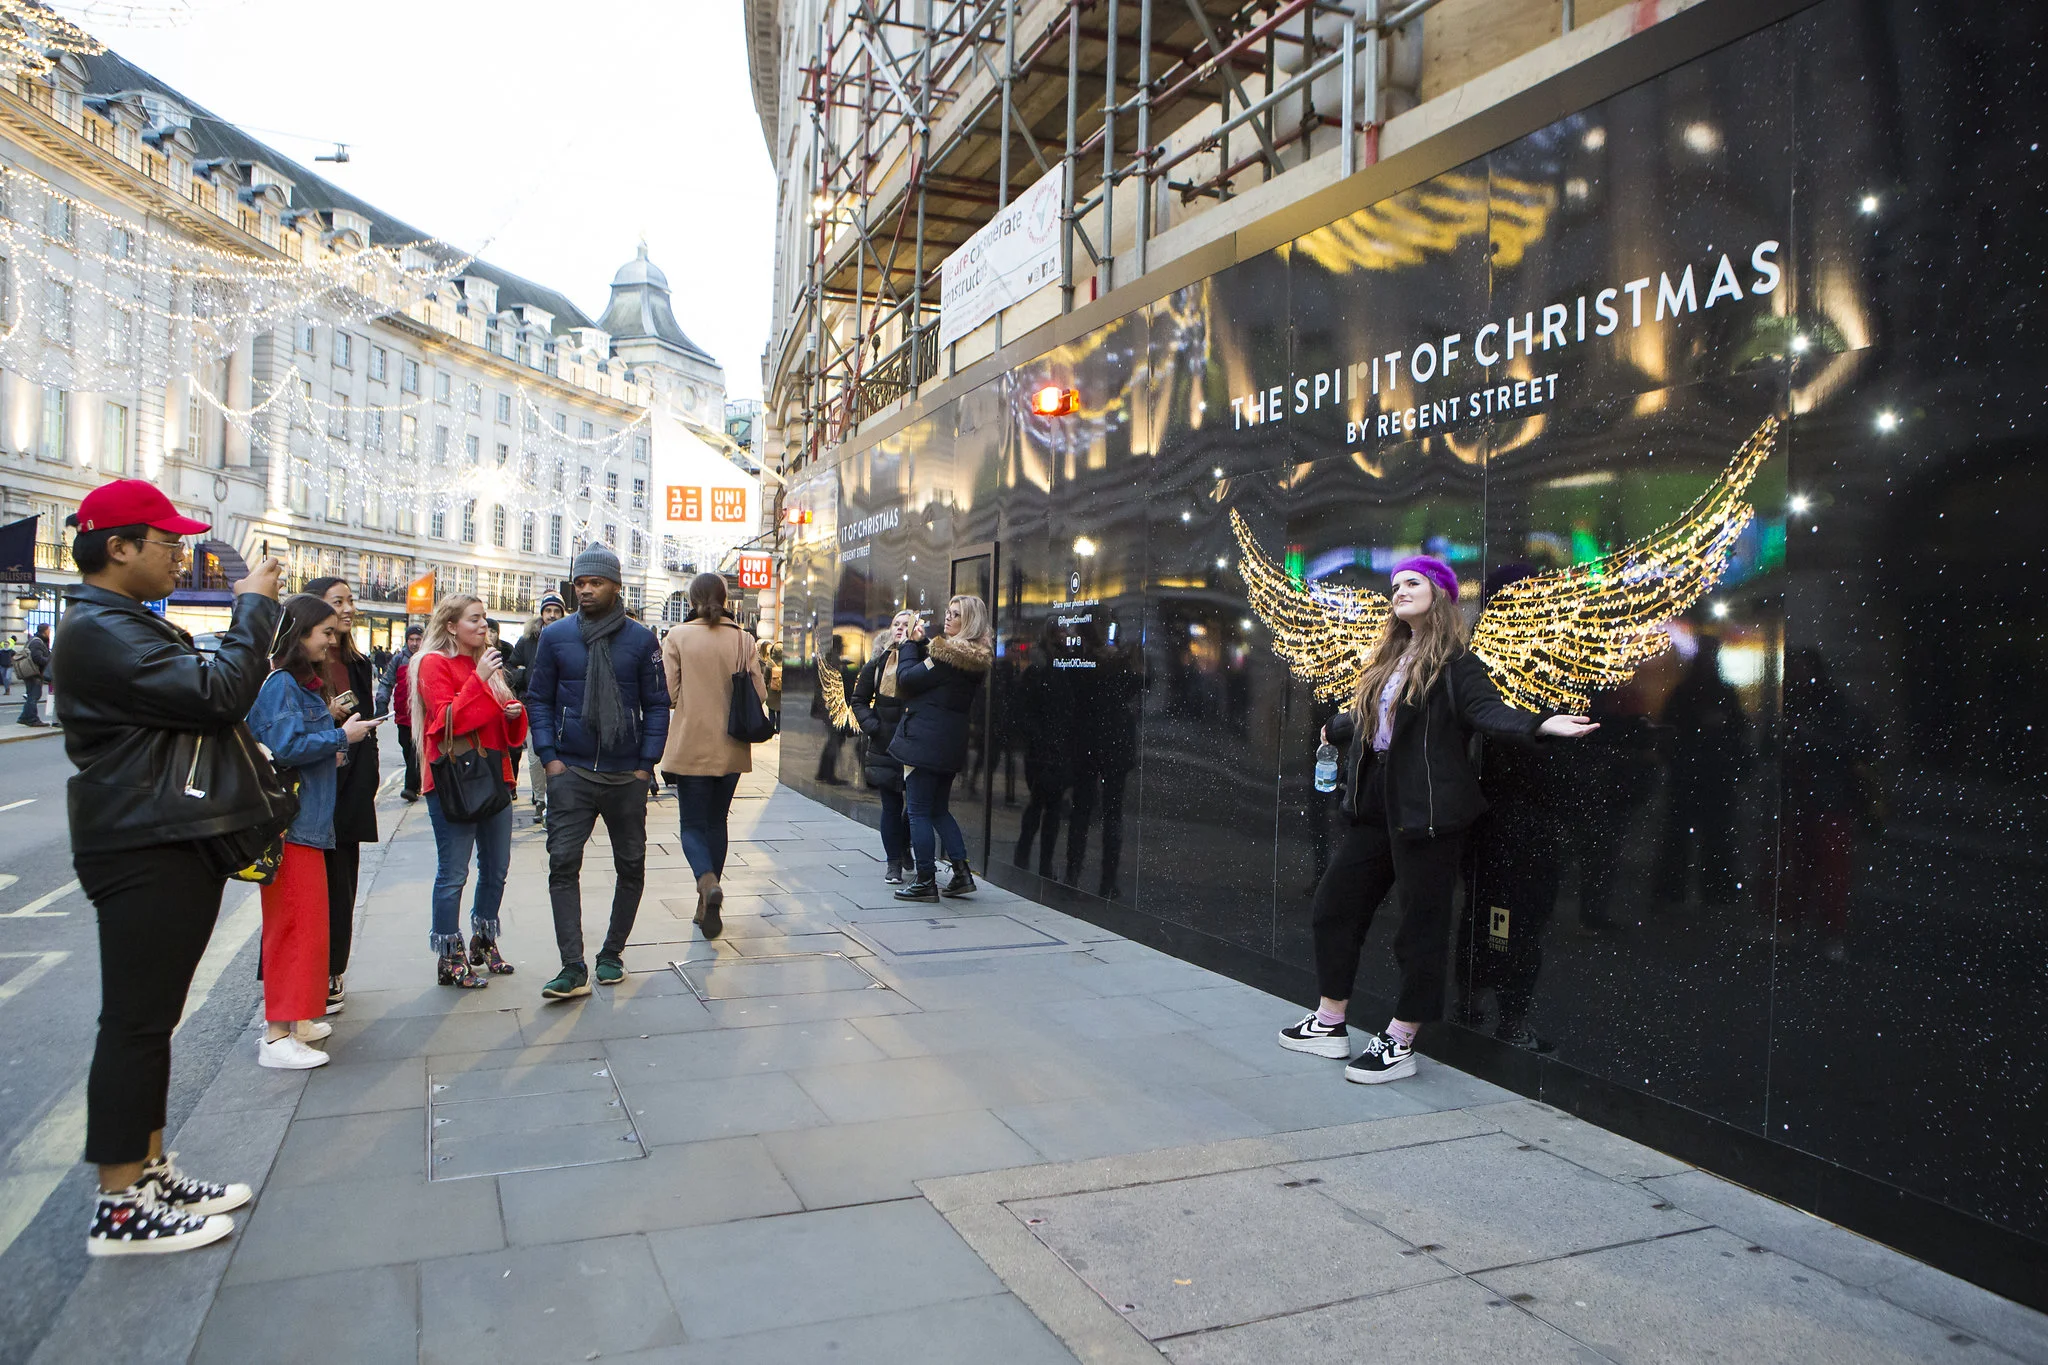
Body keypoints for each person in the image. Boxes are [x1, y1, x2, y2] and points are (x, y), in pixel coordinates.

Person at [54, 479, 281, 1255]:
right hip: (141, 841)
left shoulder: (121, 623)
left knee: (153, 1021)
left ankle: (148, 1169)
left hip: (159, 834)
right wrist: (253, 608)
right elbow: (218, 694)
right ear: (116, 547)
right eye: (166, 542)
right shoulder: (100, 629)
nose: (181, 554)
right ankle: (119, 1205)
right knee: (136, 1022)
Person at [1275, 556, 1597, 1083]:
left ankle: (1401, 1038)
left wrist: (1540, 725)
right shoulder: (1390, 656)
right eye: (1395, 584)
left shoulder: (1456, 666)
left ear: (1440, 594)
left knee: (1419, 929)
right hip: (1376, 804)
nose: (1399, 590)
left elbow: (1488, 713)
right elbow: (1372, 714)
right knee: (1334, 905)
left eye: (1413, 583)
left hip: (1429, 812)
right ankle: (1330, 1022)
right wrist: (1337, 726)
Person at [527, 545, 668, 999]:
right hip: (571, 771)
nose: (585, 590)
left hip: (626, 774)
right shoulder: (556, 636)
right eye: (580, 583)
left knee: (631, 865)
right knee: (562, 864)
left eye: (595, 583)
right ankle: (572, 967)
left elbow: (658, 705)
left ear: (616, 587)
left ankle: (611, 953)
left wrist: (646, 766)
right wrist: (550, 758)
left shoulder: (642, 640)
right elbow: (539, 699)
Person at [247, 594, 381, 1070]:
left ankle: (299, 1019)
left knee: (310, 928)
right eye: (324, 632)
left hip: (312, 823)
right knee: (293, 928)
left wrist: (335, 747)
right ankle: (276, 1035)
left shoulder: (302, 685)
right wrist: (340, 738)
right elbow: (284, 745)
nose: (332, 640)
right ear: (298, 634)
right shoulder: (281, 683)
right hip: (292, 826)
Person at [412, 595, 527, 987]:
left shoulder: (488, 667)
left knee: (496, 868)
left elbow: (505, 734)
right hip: (452, 784)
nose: (483, 626)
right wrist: (478, 679)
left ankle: (484, 940)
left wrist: (513, 713)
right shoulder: (433, 664)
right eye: (474, 619)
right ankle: (449, 954)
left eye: (484, 620)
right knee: (453, 873)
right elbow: (446, 722)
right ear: (450, 626)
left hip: (494, 777)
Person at [658, 572, 766, 938]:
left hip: (691, 741)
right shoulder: (743, 639)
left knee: (691, 824)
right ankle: (707, 900)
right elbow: (760, 694)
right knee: (717, 822)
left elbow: (669, 693)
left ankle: (706, 883)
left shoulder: (677, 637)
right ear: (725, 598)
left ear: (691, 600)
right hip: (731, 743)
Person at [302, 577, 378, 1018]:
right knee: (310, 884)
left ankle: (333, 970)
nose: (348, 609)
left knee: (343, 882)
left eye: (350, 600)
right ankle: (302, 976)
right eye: (338, 602)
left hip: (350, 784)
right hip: (315, 784)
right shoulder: (296, 668)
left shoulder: (358, 661)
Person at [888, 595, 994, 902]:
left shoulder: (948, 656)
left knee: (919, 811)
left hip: (924, 742)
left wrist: (909, 644)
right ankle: (961, 874)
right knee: (937, 809)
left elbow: (907, 679)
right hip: (949, 744)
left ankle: (925, 880)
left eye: (956, 615)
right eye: (947, 613)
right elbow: (933, 679)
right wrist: (924, 649)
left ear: (969, 621)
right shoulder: (974, 659)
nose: (947, 619)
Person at [850, 612, 917, 883]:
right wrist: (873, 726)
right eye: (896, 625)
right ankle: (893, 864)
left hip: (915, 744)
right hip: (885, 746)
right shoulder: (878, 663)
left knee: (914, 807)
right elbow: (858, 699)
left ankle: (903, 843)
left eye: (906, 625)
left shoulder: (923, 661)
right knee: (891, 806)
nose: (900, 629)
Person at [510, 592, 566, 826]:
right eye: (548, 611)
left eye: (556, 611)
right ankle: (539, 798)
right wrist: (524, 678)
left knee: (559, 757)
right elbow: (510, 668)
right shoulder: (528, 640)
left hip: (560, 707)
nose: (552, 615)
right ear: (541, 614)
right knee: (535, 759)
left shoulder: (569, 637)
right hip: (534, 706)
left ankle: (555, 802)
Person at [390, 624, 423, 801]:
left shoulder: (427, 658)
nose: (414, 643)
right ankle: (417, 780)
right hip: (403, 715)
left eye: (418, 639)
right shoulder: (398, 659)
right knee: (406, 746)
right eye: (411, 639)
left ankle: (410, 787)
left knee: (415, 751)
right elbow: (387, 682)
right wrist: (381, 705)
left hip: (420, 716)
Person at [813, 634, 850, 783]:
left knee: (833, 740)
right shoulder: (833, 661)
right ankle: (828, 774)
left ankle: (823, 773)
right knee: (835, 740)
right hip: (832, 707)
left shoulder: (828, 659)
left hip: (828, 707)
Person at [17, 622, 52, 725]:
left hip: (31, 672)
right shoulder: (37, 642)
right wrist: (49, 660)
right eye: (49, 630)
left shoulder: (35, 640)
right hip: (34, 673)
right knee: (34, 695)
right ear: (45, 631)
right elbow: (37, 658)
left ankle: (24, 717)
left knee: (32, 695)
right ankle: (32, 719)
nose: (50, 632)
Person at [758, 637, 784, 733]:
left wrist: (764, 689)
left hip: (771, 691)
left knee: (771, 711)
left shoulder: (769, 664)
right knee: (780, 712)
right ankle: (779, 730)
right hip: (782, 692)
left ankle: (771, 729)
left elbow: (765, 678)